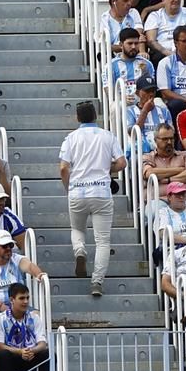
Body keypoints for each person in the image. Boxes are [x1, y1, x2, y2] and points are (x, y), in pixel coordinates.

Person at [58, 98, 126, 296]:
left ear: (77, 118)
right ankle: (97, 282)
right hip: (101, 192)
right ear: (96, 116)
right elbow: (122, 163)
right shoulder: (108, 136)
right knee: (103, 241)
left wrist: (68, 187)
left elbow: (63, 167)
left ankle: (79, 251)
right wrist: (107, 169)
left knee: (77, 228)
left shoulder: (71, 138)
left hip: (78, 190)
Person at [0, 283, 51, 371]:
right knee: (3, 355)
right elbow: (0, 346)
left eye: (27, 298)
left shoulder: (35, 318)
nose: (26, 301)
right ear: (12, 299)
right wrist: (20, 352)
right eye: (22, 298)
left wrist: (32, 351)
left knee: (47, 354)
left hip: (31, 355)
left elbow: (42, 343)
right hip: (12, 357)